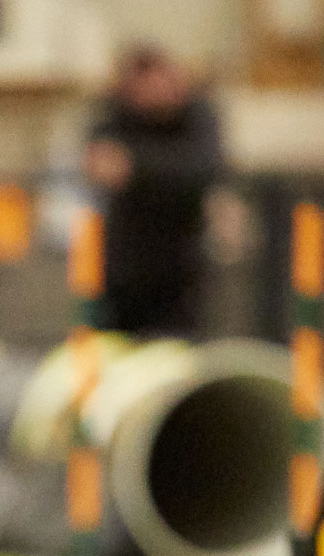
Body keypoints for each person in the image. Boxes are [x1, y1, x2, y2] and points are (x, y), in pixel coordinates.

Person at [84, 44, 224, 338]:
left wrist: (135, 166)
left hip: (180, 269)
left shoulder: (197, 116)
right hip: (124, 268)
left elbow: (202, 168)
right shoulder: (114, 116)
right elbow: (100, 161)